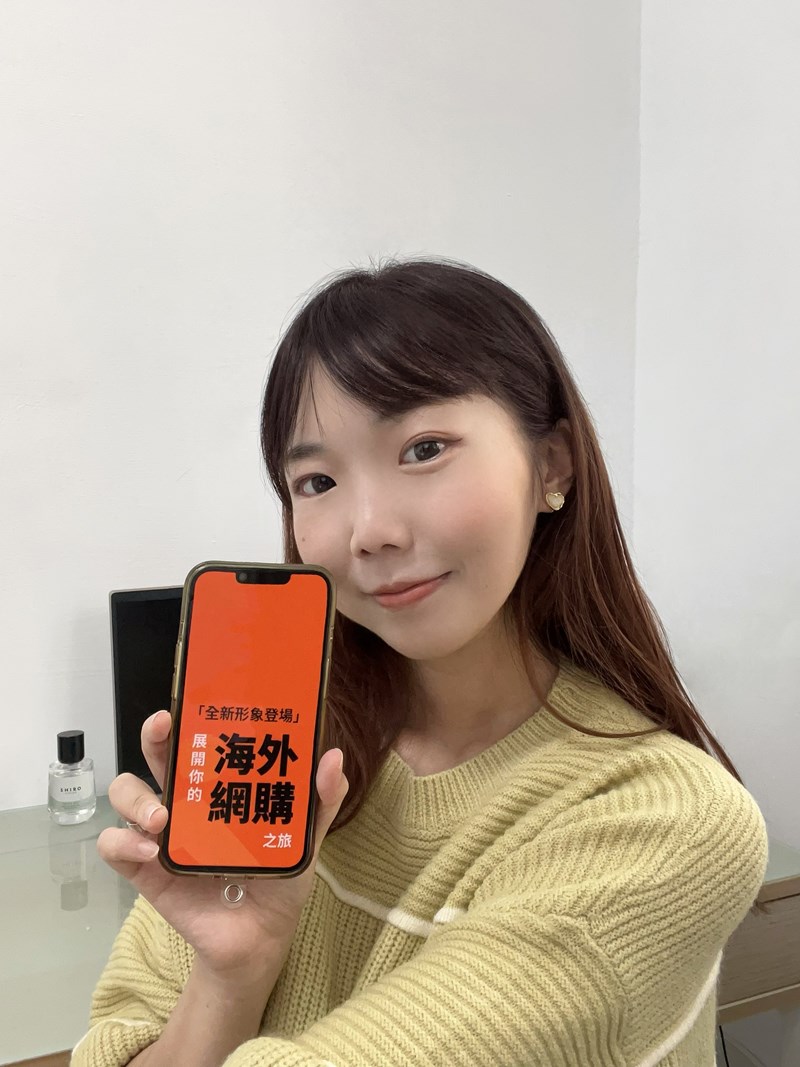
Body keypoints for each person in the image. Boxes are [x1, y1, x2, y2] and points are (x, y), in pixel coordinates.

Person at [72, 257, 768, 1067]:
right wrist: (231, 973)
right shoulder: (286, 763)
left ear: (552, 464)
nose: (369, 530)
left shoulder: (665, 820)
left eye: (424, 448)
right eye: (317, 480)